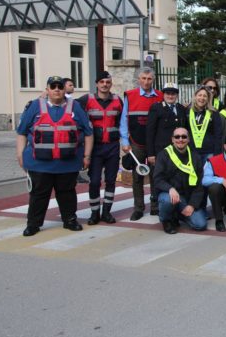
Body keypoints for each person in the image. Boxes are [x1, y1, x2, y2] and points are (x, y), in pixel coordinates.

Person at [15, 75, 94, 236]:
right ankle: (33, 224)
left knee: (67, 194)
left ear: (65, 89)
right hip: (40, 163)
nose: (57, 89)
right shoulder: (34, 106)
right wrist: (20, 154)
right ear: (47, 90)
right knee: (38, 195)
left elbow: (88, 133)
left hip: (68, 163)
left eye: (60, 86)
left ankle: (70, 220)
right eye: (53, 87)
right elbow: (22, 132)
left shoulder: (76, 107)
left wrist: (87, 156)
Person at [75, 71, 122, 225]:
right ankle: (94, 212)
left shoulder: (117, 100)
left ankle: (107, 212)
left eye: (107, 82)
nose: (104, 85)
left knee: (110, 181)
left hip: (112, 147)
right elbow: (69, 106)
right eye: (101, 82)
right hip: (94, 148)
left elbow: (123, 122)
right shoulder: (85, 100)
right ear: (96, 84)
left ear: (111, 84)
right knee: (94, 181)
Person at [120, 66, 164, 221]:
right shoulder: (130, 96)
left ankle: (155, 206)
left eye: (149, 78)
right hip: (136, 143)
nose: (146, 82)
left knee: (156, 175)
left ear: (153, 80)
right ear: (138, 79)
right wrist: (125, 141)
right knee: (137, 176)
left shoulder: (160, 96)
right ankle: (138, 208)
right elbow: (124, 120)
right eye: (143, 78)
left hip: (155, 144)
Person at [152, 128, 208, 234]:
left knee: (200, 224)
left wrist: (192, 205)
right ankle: (167, 220)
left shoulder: (195, 157)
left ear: (188, 139)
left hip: (186, 198)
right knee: (167, 200)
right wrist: (170, 189)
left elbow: (199, 185)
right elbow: (157, 179)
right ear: (172, 139)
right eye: (177, 137)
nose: (180, 139)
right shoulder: (163, 155)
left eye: (184, 137)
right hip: (169, 194)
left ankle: (178, 214)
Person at [146, 82, 187, 167]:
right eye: (168, 93)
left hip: (178, 150)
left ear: (177, 95)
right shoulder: (156, 108)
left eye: (173, 94)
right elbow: (150, 132)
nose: (170, 96)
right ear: (163, 94)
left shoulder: (182, 109)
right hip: (161, 151)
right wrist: (150, 153)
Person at [186, 85, 222, 162]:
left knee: (208, 174)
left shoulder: (214, 113)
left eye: (205, 96)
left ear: (208, 98)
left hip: (209, 152)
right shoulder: (187, 111)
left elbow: (218, 134)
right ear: (195, 96)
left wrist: (217, 154)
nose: (202, 98)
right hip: (192, 152)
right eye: (200, 95)